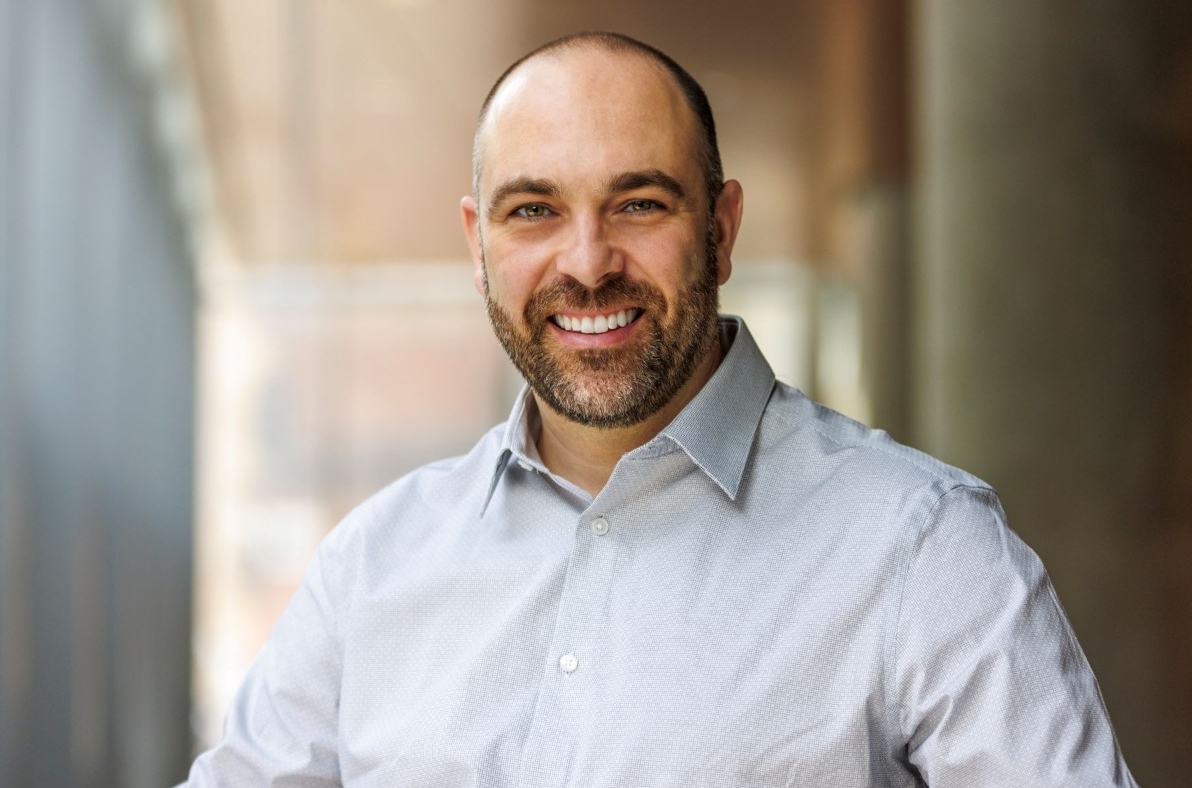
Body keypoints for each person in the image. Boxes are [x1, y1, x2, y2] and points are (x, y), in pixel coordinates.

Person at [179, 31, 1138, 787]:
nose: (588, 263)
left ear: (720, 232)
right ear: (477, 244)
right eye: (533, 210)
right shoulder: (371, 567)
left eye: (639, 204)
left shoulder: (919, 552)